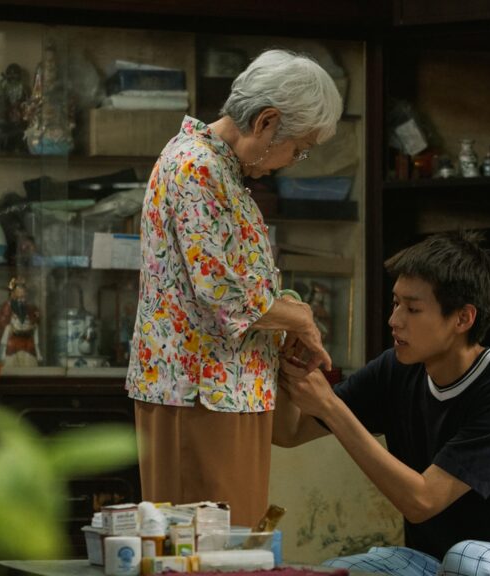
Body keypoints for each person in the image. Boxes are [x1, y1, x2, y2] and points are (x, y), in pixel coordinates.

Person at [274, 231, 490, 576]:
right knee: (336, 571)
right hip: (435, 562)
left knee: (468, 561)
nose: (395, 320)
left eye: (413, 308)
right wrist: (291, 372)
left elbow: (421, 501)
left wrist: (330, 406)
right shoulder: (395, 370)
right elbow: (288, 432)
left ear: (463, 318)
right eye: (395, 303)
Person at [125, 48, 342, 527]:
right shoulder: (196, 166)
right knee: (207, 549)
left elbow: (238, 284)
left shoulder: (221, 169)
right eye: (298, 147)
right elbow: (221, 292)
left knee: (238, 542)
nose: (293, 161)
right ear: (266, 122)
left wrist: (287, 313)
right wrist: (299, 318)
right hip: (199, 391)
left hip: (226, 388)